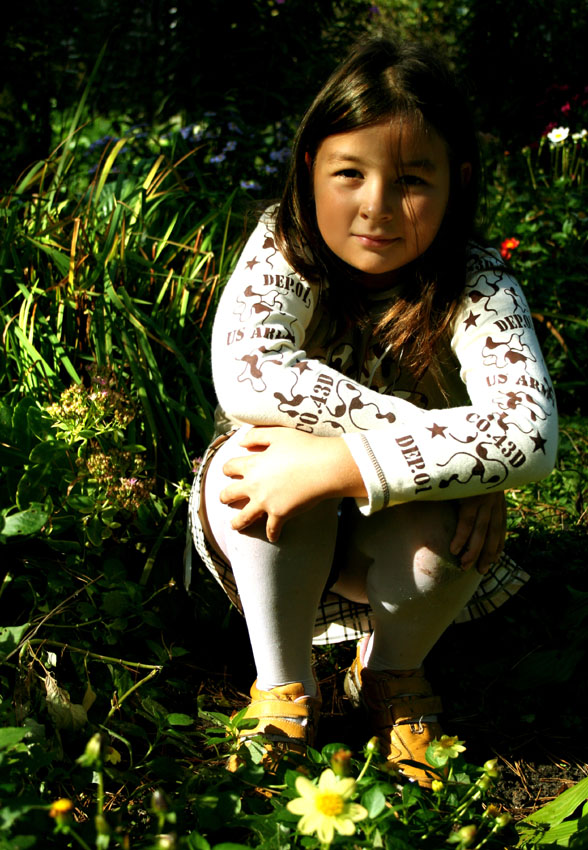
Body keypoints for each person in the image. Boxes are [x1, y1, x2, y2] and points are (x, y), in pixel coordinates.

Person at [187, 36, 558, 785]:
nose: (377, 207)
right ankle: (283, 685)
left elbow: (529, 431)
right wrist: (457, 455)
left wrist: (360, 463)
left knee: (452, 530)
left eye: (412, 179)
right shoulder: (283, 248)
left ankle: (390, 670)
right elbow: (249, 375)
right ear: (308, 169)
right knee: (252, 465)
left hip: (398, 522)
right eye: (349, 173)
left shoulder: (480, 283)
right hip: (274, 529)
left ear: (458, 181)